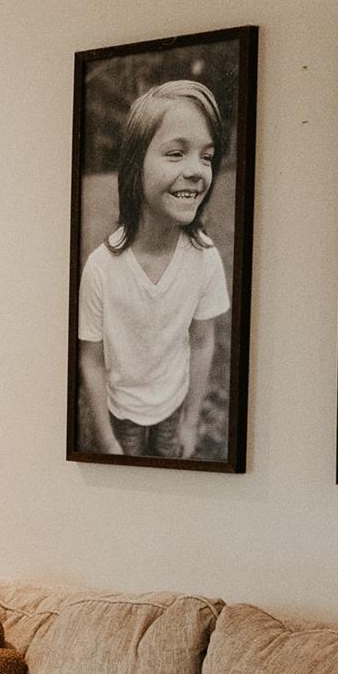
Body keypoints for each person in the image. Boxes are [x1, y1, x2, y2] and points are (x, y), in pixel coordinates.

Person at [78, 80, 231, 459]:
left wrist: (191, 422)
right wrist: (107, 440)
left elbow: (202, 342)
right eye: (176, 153)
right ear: (135, 166)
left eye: (207, 156)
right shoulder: (101, 267)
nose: (197, 170)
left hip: (173, 408)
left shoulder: (205, 258)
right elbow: (91, 360)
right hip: (121, 414)